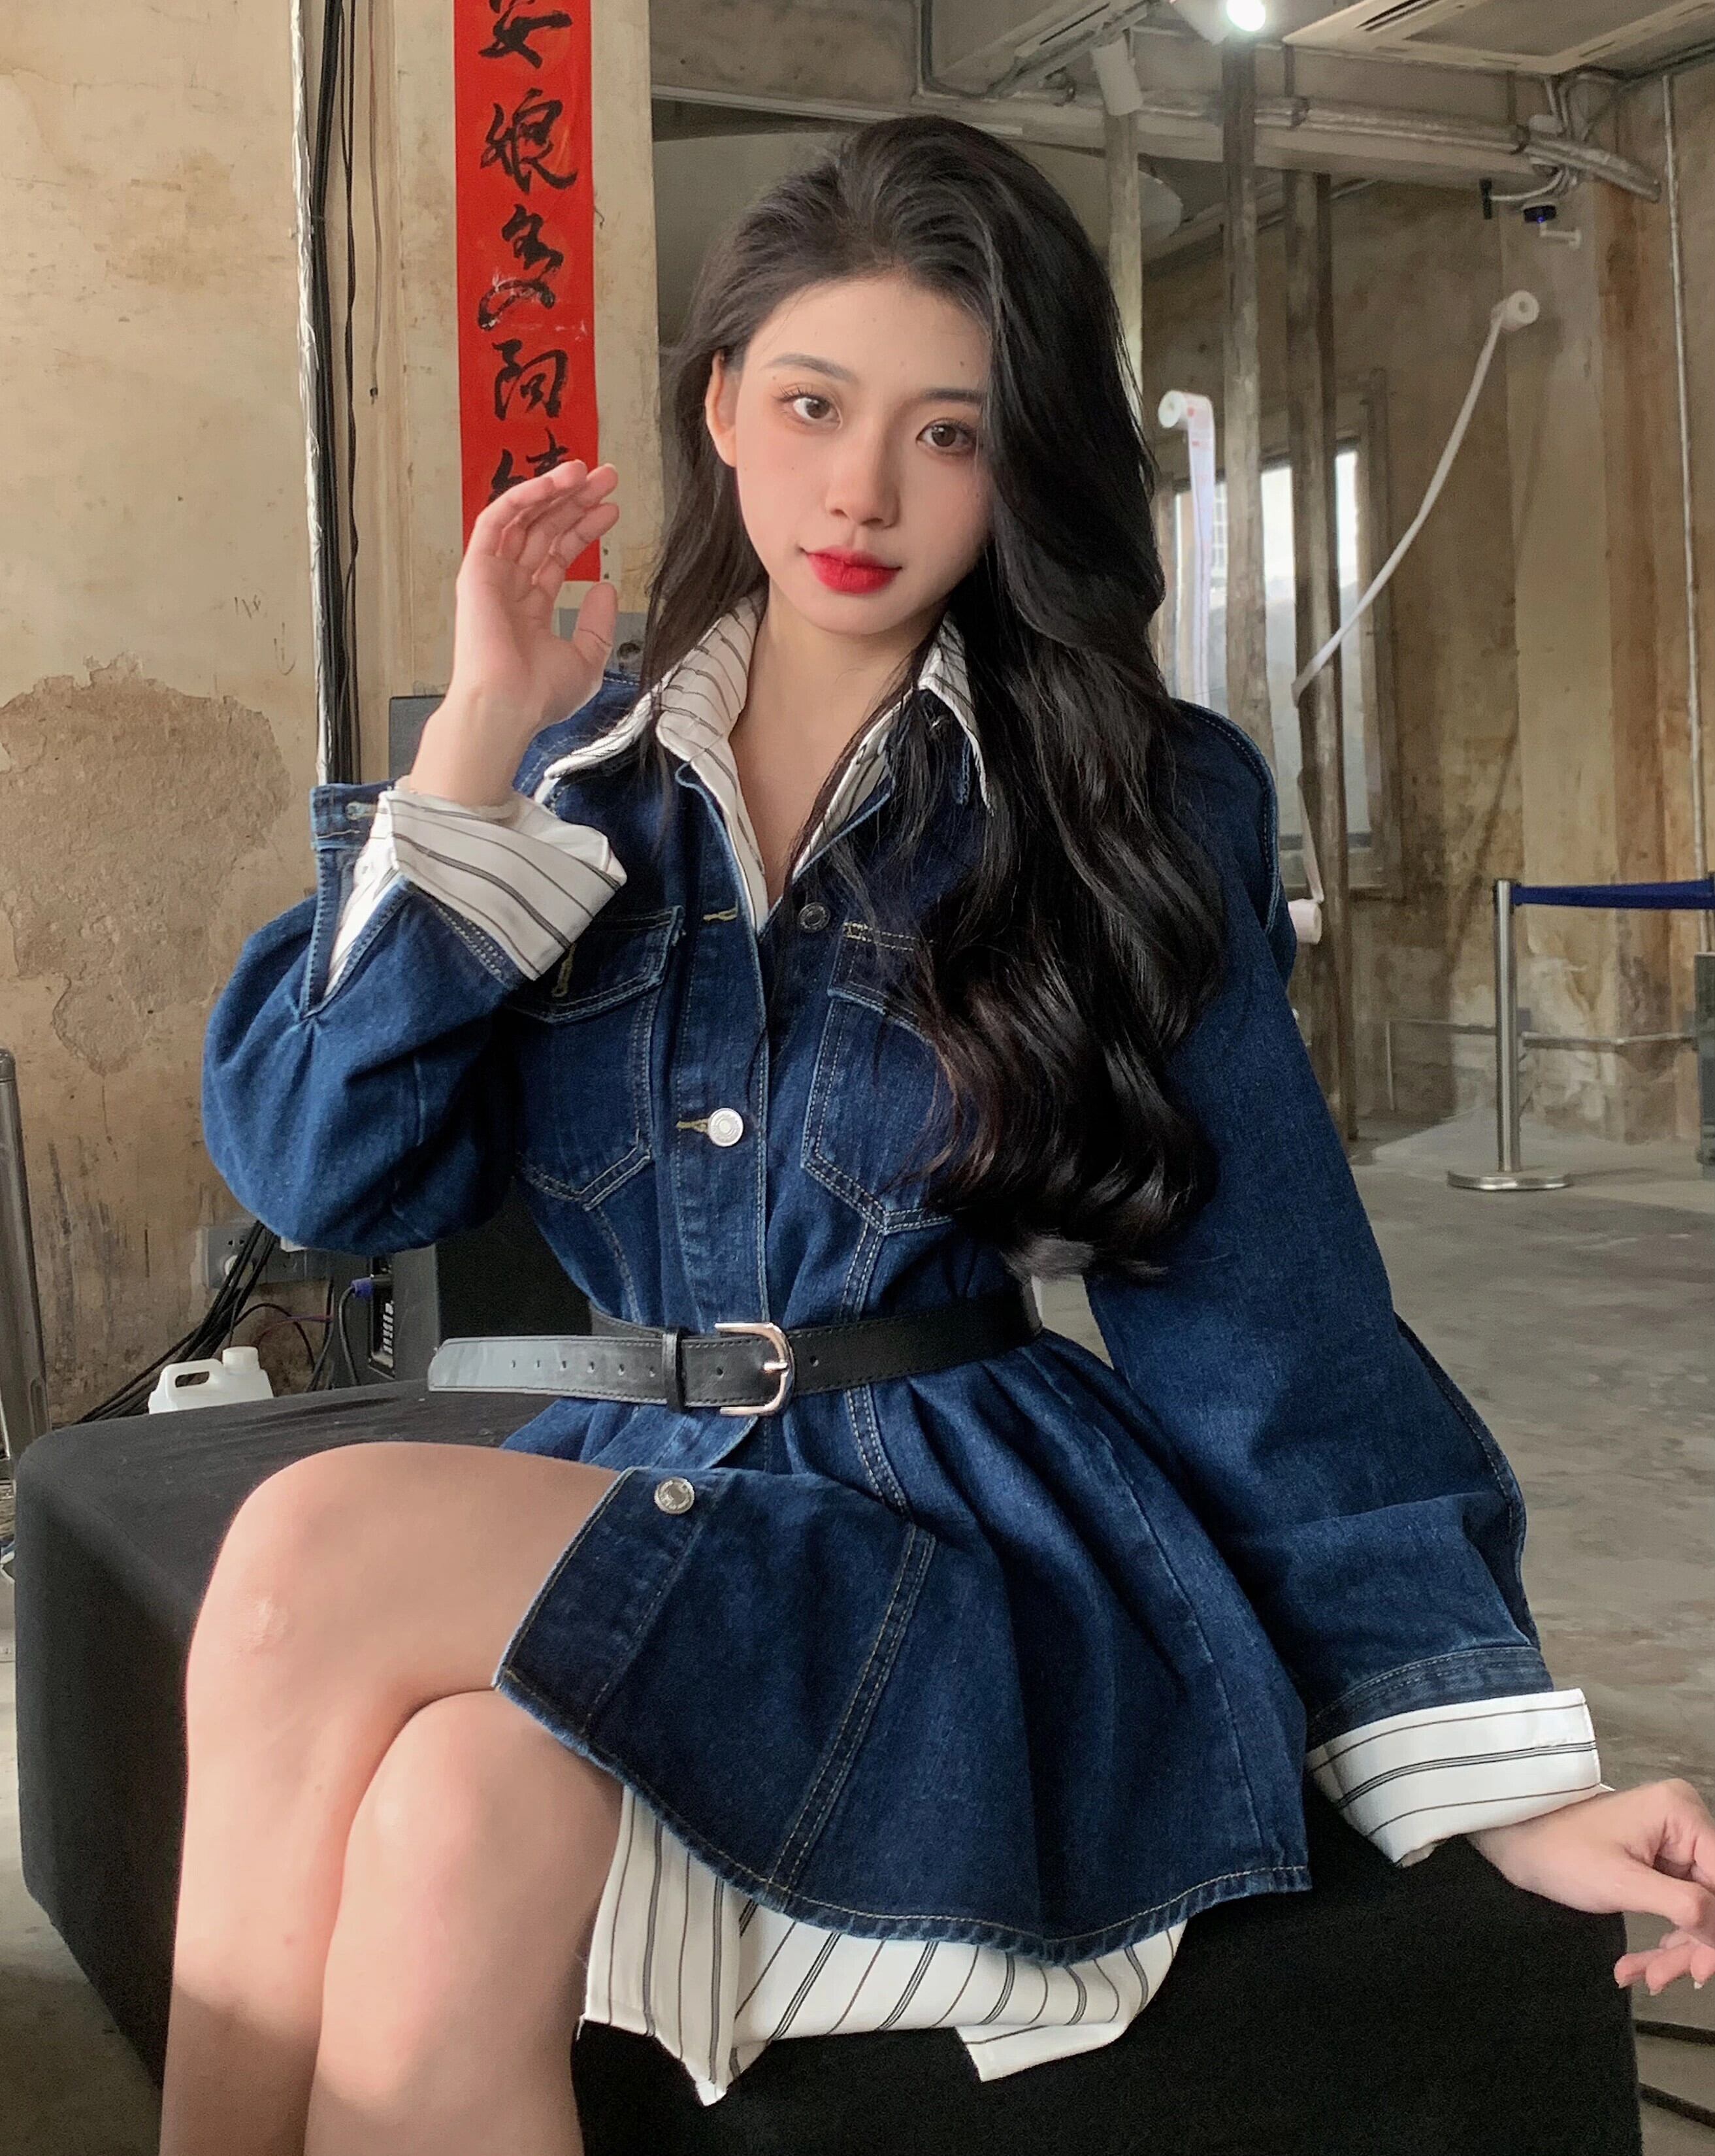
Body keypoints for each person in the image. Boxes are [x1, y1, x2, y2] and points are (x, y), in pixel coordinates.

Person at [174, 115, 1713, 2155]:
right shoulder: (566, 798)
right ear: (722, 405)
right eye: (813, 405)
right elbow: (319, 1173)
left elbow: (1268, 1315)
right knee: (449, 1820)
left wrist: (1492, 1777)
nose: (861, 491)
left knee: (305, 1543)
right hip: (643, 1503)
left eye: (948, 434)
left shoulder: (1123, 800)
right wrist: (468, 746)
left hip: (943, 1552)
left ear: (1019, 466)